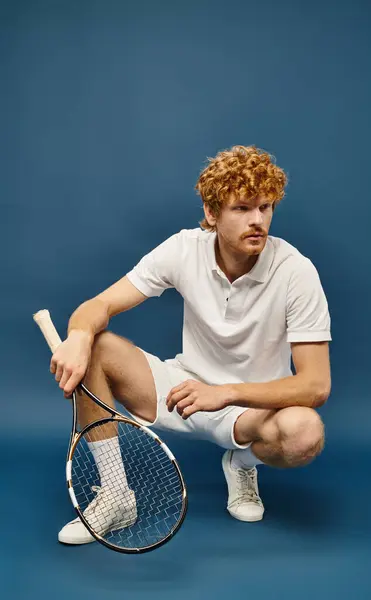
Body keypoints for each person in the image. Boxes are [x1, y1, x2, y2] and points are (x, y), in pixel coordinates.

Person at [51, 145, 331, 544]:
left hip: (253, 408)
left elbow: (316, 386)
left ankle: (242, 463)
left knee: (304, 432)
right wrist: (78, 337)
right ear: (211, 213)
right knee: (96, 345)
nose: (258, 221)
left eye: (266, 207)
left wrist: (226, 393)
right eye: (242, 208)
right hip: (183, 392)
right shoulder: (184, 249)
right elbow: (99, 305)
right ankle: (115, 494)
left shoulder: (296, 272)